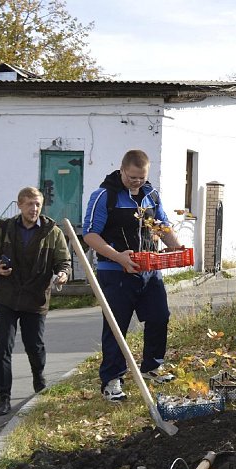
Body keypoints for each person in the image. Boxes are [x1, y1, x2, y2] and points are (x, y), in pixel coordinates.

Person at [83, 149, 181, 402]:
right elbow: (91, 235)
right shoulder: (105, 196)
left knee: (160, 317)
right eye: (132, 177)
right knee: (117, 327)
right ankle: (112, 380)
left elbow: (162, 225)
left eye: (141, 177)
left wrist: (175, 247)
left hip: (149, 269)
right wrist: (118, 257)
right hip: (115, 271)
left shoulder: (151, 195)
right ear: (122, 170)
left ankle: (152, 367)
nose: (137, 182)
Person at [0, 187, 71, 416]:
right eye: (30, 204)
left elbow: (63, 260)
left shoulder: (53, 231)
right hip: (7, 296)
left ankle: (39, 382)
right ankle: (3, 398)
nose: (34, 209)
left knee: (35, 345)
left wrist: (62, 273)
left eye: (38, 204)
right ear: (19, 205)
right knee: (3, 347)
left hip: (35, 296)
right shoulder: (4, 229)